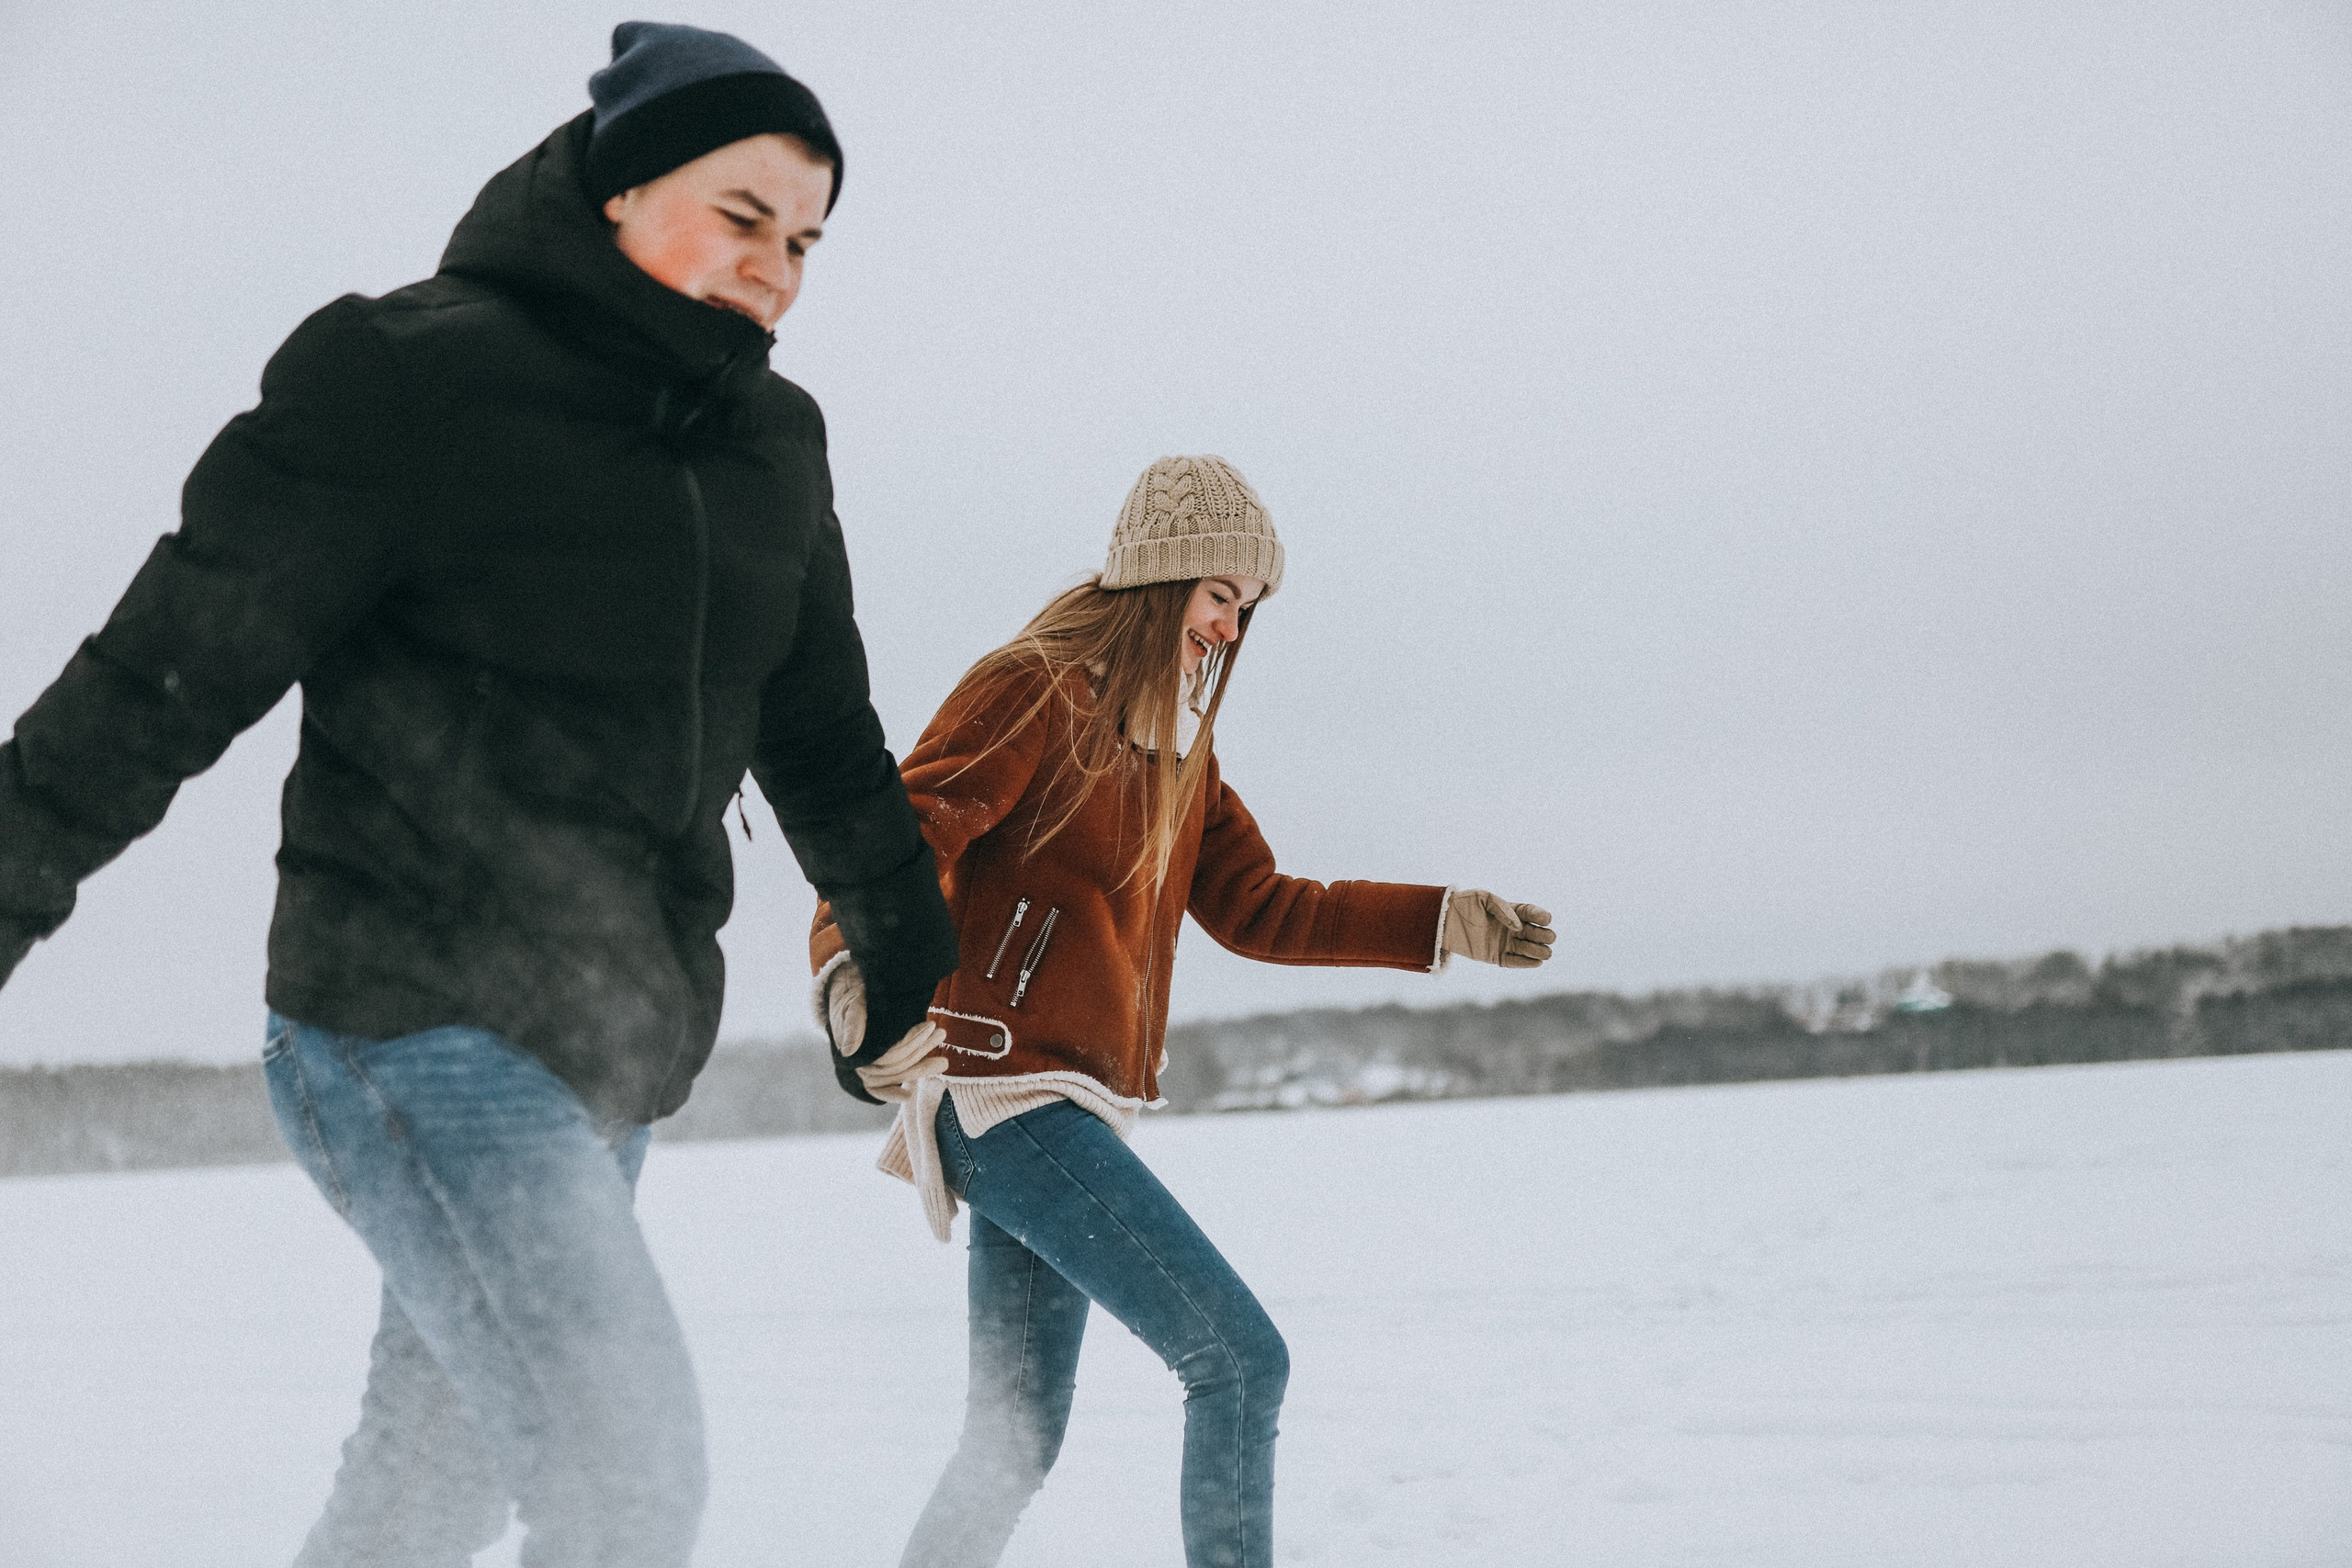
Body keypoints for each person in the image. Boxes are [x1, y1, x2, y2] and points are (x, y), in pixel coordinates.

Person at [0, 22, 956, 1568]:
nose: (777, 266)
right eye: (741, 214)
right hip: (405, 1018)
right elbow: (166, 672)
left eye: (806, 240)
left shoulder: (772, 444)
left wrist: (902, 940)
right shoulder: (407, 376)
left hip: (612, 1046)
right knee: (623, 1466)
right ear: (618, 189)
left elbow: (821, 726)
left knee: (429, 1484)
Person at [811, 455, 1555, 1568]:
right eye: (1218, 595)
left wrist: (1437, 919)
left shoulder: (1176, 752)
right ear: (1159, 581)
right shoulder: (1038, 686)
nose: (1228, 628)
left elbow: (1261, 906)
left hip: (1067, 1106)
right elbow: (901, 835)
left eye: (1246, 609)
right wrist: (848, 975)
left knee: (1011, 1444)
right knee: (1239, 1360)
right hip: (1004, 1091)